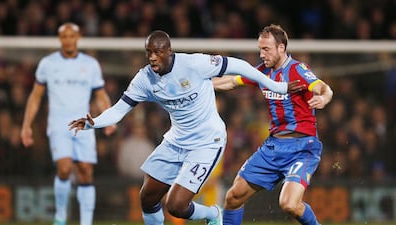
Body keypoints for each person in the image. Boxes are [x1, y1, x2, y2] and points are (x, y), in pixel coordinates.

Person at [68, 30, 302, 225]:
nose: (152, 58)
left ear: (169, 51)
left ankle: (213, 214)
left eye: (158, 52)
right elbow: (120, 109)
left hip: (207, 142)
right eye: (149, 52)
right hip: (176, 140)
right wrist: (94, 123)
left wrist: (277, 86)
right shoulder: (144, 79)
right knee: (148, 198)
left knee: (176, 206)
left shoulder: (193, 64)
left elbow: (238, 65)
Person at [213, 24, 333, 225]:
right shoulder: (262, 72)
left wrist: (324, 97)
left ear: (281, 48)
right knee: (233, 197)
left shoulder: (297, 70)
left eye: (266, 49)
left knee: (289, 204)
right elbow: (232, 82)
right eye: (260, 49)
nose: (261, 54)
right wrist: (197, 84)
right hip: (272, 147)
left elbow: (323, 87)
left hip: (302, 147)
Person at [20, 22, 116, 225]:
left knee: (86, 170)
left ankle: (86, 222)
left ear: (78, 37)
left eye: (72, 36)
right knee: (64, 169)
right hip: (58, 124)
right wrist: (26, 125)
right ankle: (61, 217)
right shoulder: (48, 63)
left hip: (84, 124)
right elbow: (36, 96)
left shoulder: (90, 64)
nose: (68, 40)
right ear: (60, 39)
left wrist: (108, 118)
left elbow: (101, 95)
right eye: (65, 36)